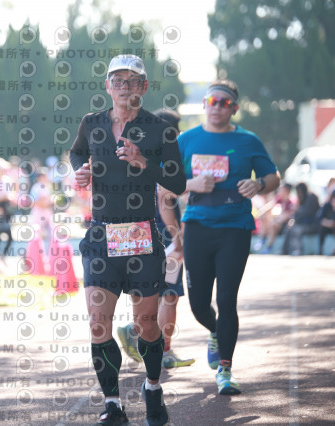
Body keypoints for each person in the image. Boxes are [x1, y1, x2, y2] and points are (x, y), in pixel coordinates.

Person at [70, 54, 186, 426]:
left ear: (143, 87)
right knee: (98, 324)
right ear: (107, 86)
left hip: (141, 236)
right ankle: (113, 404)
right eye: (117, 80)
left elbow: (178, 181)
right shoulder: (92, 123)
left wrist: (143, 163)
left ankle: (152, 387)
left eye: (132, 81)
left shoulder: (160, 130)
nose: (124, 87)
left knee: (146, 324)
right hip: (102, 235)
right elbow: (77, 152)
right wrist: (81, 171)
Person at [179, 79, 280, 395]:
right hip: (197, 227)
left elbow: (273, 176)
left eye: (224, 103)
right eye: (212, 101)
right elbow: (165, 180)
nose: (217, 107)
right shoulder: (187, 139)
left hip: (235, 228)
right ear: (204, 104)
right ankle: (215, 331)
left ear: (234, 108)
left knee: (226, 299)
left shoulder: (248, 140)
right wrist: (190, 185)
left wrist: (258, 185)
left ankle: (225, 369)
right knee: (198, 304)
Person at [117, 109, 195, 370]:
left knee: (148, 293)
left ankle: (135, 331)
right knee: (169, 294)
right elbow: (164, 201)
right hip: (162, 233)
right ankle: (163, 350)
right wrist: (177, 238)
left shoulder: (136, 157)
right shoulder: (164, 161)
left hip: (136, 231)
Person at [282, 182, 320, 255]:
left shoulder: (311, 198)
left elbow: (308, 213)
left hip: (312, 225)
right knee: (288, 229)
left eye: (300, 191)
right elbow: (297, 216)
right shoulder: (301, 200)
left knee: (297, 230)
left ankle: (298, 249)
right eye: (298, 191)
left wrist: (298, 210)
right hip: (302, 224)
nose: (299, 193)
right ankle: (284, 250)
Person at [317, 190, 335, 255]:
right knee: (321, 229)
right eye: (334, 198)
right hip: (328, 227)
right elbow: (320, 218)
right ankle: (320, 249)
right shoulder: (327, 206)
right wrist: (328, 223)